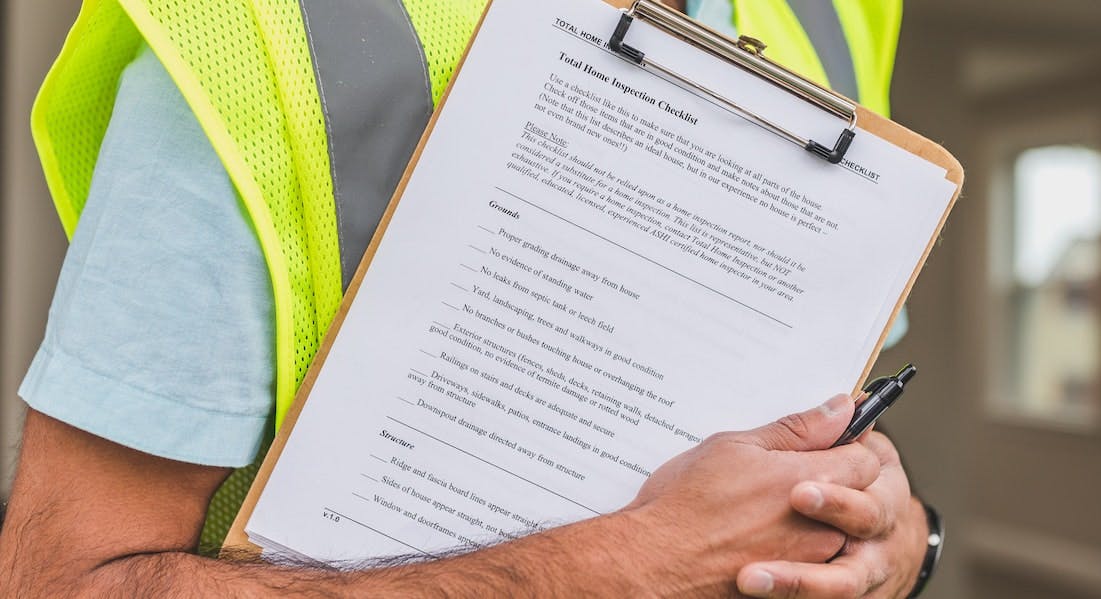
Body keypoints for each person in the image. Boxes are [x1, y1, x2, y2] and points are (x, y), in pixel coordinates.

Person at [0, 0, 936, 596]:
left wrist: (893, 541)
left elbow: (827, 431)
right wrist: (623, 567)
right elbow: (65, 582)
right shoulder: (256, 36)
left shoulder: (834, 18)